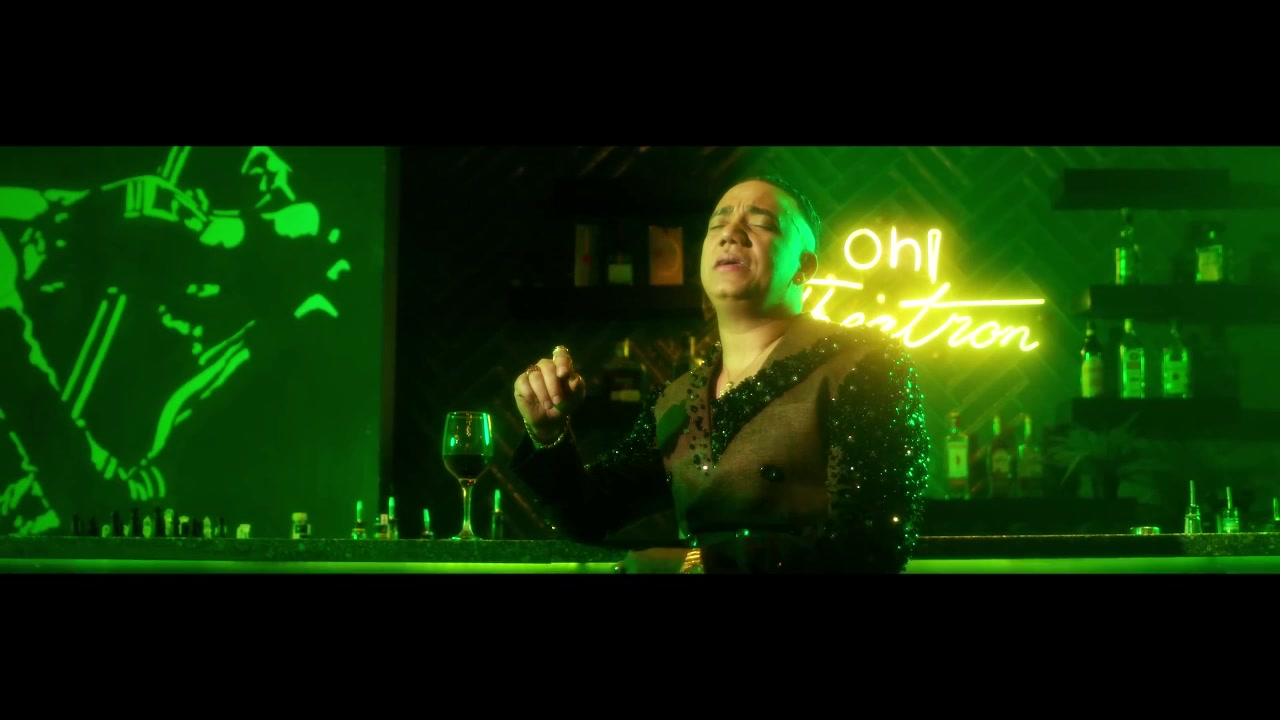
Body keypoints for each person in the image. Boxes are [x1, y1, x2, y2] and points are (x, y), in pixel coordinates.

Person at [510, 175, 930, 573]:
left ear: (805, 267)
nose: (731, 233)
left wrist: (696, 564)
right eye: (717, 224)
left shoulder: (864, 365)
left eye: (762, 223)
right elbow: (588, 515)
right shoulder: (676, 399)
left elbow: (871, 547)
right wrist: (548, 434)